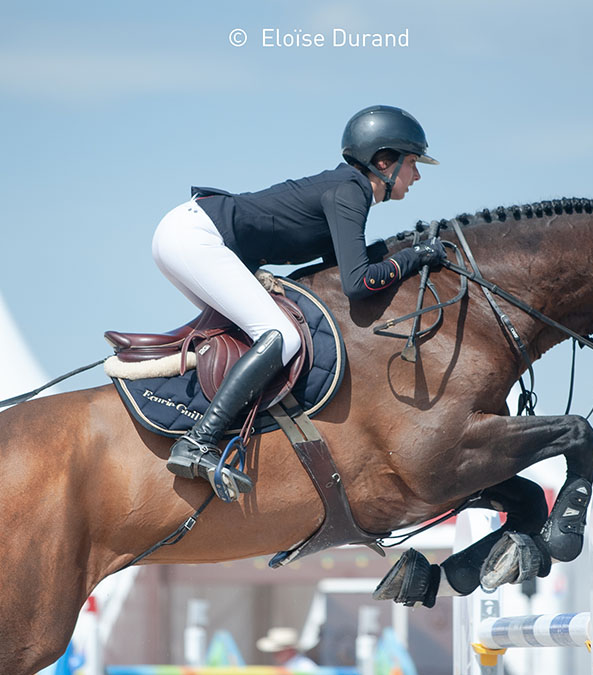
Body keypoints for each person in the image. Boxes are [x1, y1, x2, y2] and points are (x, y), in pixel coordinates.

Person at [152, 105, 446, 496]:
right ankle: (199, 442)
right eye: (412, 162)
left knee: (252, 337)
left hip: (185, 235)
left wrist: (403, 249)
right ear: (383, 161)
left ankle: (200, 425)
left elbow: (340, 268)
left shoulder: (347, 190)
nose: (418, 174)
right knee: (281, 335)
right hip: (196, 238)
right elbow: (358, 284)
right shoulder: (351, 192)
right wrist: (417, 256)